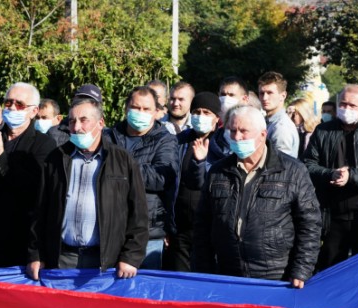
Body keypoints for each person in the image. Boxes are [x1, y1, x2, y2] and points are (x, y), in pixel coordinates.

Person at [194, 105, 321, 288]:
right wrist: (202, 270)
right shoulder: (218, 171)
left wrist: (301, 270)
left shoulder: (292, 171)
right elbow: (202, 224)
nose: (237, 137)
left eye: (244, 131)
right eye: (232, 131)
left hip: (275, 276)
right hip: (227, 274)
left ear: (263, 134)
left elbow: (310, 224)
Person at [27, 98, 149, 280]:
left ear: (100, 123)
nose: (76, 127)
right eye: (71, 121)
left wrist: (131, 257)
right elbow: (39, 211)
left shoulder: (122, 161)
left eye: (83, 120)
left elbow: (138, 215)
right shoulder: (56, 159)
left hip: (105, 262)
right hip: (62, 257)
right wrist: (36, 254)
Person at [0, 82, 56, 267]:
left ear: (33, 111)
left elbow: (33, 189)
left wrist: (0, 158)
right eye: (8, 103)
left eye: (19, 104)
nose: (12, 108)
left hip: (17, 239)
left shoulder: (44, 144)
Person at [105, 86, 179, 270]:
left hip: (147, 234)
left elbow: (161, 178)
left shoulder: (165, 140)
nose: (140, 113)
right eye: (136, 108)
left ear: (157, 113)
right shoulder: (108, 137)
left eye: (146, 109)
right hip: (109, 229)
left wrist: (122, 167)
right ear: (126, 109)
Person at [303, 84, 358, 271]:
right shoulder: (323, 131)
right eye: (343, 104)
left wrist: (352, 176)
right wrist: (329, 174)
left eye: (352, 106)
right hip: (331, 216)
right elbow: (307, 165)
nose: (346, 109)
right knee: (330, 270)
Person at [167, 92, 221, 272]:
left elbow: (205, 182)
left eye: (207, 113)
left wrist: (200, 162)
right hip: (181, 227)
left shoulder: (221, 144)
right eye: (197, 111)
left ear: (216, 118)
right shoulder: (180, 141)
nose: (200, 116)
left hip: (208, 228)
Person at [257, 71, 299, 158]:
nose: (264, 98)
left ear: (283, 96)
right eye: (261, 93)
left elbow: (280, 165)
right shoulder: (269, 122)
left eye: (270, 93)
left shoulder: (281, 127)